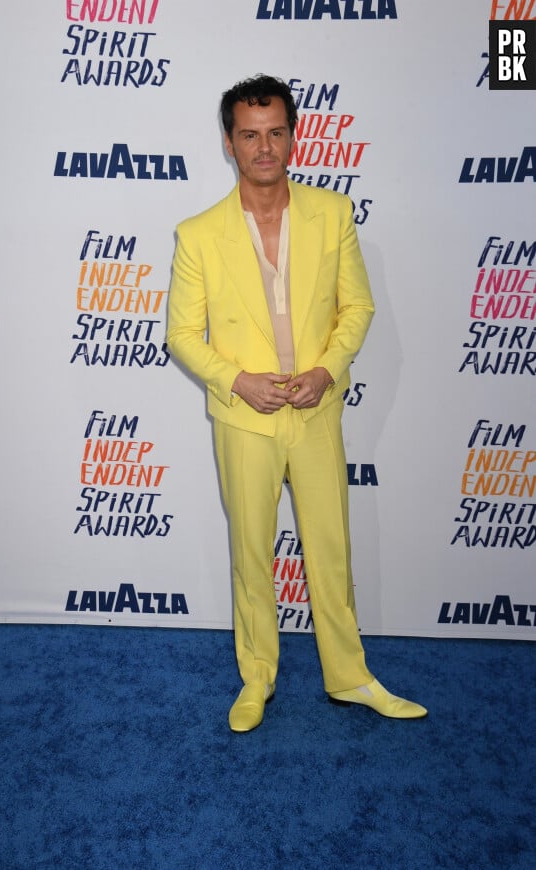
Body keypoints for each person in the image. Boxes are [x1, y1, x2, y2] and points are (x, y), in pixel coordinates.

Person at [167, 74, 427, 732]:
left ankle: (350, 676)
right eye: (249, 135)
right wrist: (238, 381)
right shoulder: (197, 234)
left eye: (275, 132)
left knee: (330, 550)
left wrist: (327, 370)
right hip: (242, 419)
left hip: (315, 413)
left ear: (294, 135)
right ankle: (257, 679)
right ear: (229, 142)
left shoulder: (333, 213)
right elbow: (179, 336)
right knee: (252, 554)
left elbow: (358, 306)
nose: (263, 147)